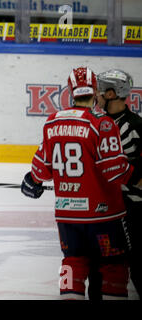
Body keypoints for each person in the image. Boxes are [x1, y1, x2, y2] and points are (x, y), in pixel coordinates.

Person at [21, 67, 142, 299]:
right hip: (103, 216)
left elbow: (40, 170)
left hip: (67, 216)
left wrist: (32, 182)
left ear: (70, 92)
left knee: (72, 263)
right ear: (95, 91)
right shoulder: (103, 123)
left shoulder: (52, 121)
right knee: (114, 268)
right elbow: (115, 170)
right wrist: (136, 176)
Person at [87, 69, 142, 299]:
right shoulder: (100, 122)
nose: (96, 95)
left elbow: (136, 178)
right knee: (97, 266)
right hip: (109, 209)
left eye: (100, 90)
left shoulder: (133, 128)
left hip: (132, 210)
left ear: (111, 94)